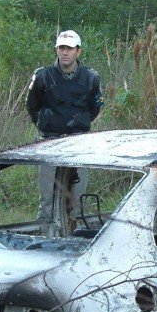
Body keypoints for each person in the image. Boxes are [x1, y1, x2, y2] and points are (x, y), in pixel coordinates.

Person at [26, 29, 103, 223]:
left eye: (69, 48)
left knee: (77, 197)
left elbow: (95, 107)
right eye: (61, 48)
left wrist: (78, 124)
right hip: (50, 141)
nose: (65, 53)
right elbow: (32, 105)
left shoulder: (91, 77)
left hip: (80, 141)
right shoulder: (43, 75)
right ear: (56, 50)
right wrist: (47, 124)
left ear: (78, 51)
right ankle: (44, 232)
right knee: (47, 198)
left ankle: (75, 234)